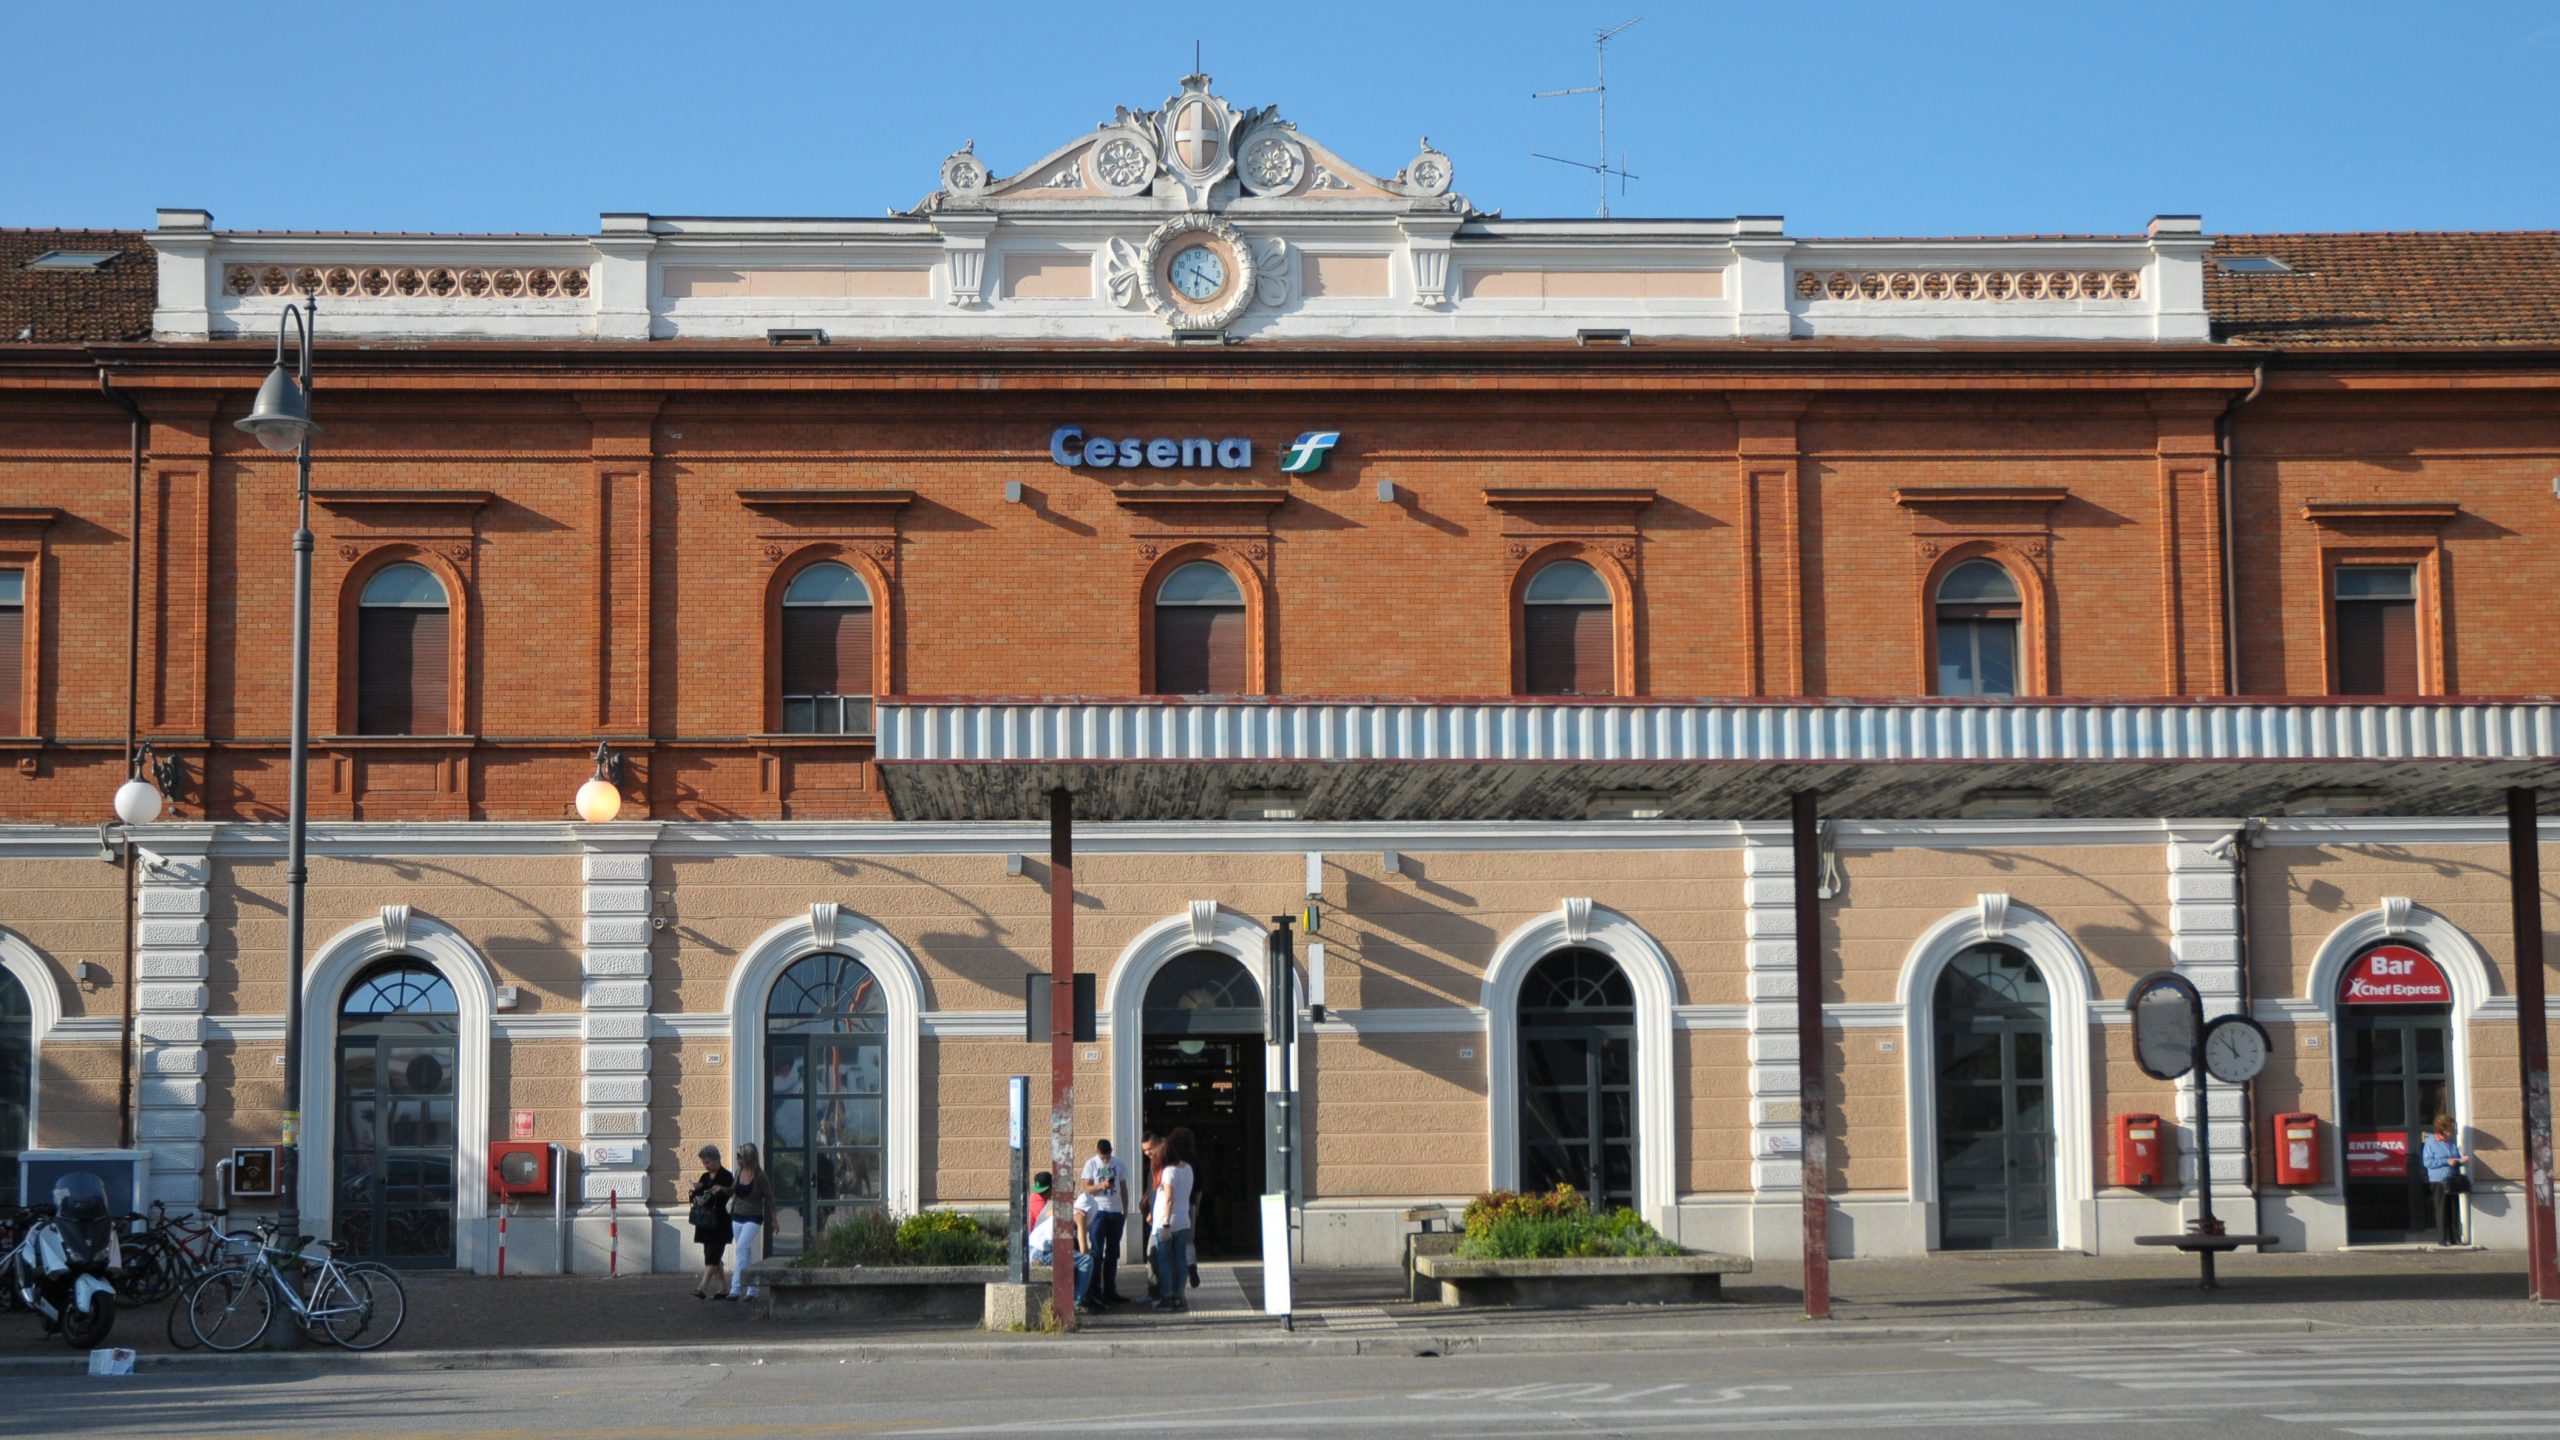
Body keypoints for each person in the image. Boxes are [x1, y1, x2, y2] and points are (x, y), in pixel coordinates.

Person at [1028, 1191, 1102, 1316]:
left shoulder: (1064, 1210)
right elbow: (1084, 1250)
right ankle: (1077, 1302)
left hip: (1031, 1250)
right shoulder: (1080, 1216)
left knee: (1076, 1258)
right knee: (1087, 1261)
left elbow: (1049, 1213)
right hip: (1041, 1253)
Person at [1149, 1126, 1195, 1312]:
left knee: (1165, 1261)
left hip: (1167, 1222)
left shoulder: (1168, 1172)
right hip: (1184, 1220)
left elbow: (1168, 1198)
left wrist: (1166, 1224)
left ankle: (1167, 1296)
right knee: (1180, 1260)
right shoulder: (1188, 1168)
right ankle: (1178, 1295)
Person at [1078, 1138, 1130, 1304]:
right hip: (1099, 1211)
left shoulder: (1119, 1163)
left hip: (1115, 1212)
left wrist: (1125, 1209)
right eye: (1103, 1157)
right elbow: (1086, 1188)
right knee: (1097, 1252)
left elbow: (1123, 1187)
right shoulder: (1091, 1164)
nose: (1106, 1160)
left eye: (1108, 1156)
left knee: (1113, 1253)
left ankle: (1110, 1289)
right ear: (1097, 1153)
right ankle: (1095, 1289)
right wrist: (1101, 1186)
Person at [687, 1144, 735, 1300]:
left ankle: (702, 1287)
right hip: (705, 1222)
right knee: (711, 1255)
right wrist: (696, 1194)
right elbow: (695, 1197)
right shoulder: (704, 1177)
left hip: (720, 1222)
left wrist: (713, 1193)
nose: (705, 1166)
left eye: (707, 1162)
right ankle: (724, 1288)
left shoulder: (726, 1176)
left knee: (712, 1254)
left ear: (716, 1159)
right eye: (704, 1163)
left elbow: (727, 1196)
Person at [725, 1142, 770, 1304]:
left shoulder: (759, 1176)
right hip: (737, 1216)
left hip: (754, 1218)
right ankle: (753, 1290)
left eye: (739, 1157)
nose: (737, 1159)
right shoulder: (738, 1172)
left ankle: (735, 1289)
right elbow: (731, 1190)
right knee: (746, 1254)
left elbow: (769, 1197)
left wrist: (774, 1219)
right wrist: (719, 1189)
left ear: (748, 1158)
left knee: (741, 1249)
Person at [2422, 1115, 2474, 1247]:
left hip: (2452, 1179)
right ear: (2442, 1128)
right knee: (2442, 1209)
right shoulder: (2431, 1142)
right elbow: (2427, 1162)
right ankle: (2442, 1238)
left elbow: (2455, 1159)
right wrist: (2446, 1161)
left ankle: (2454, 1237)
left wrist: (2461, 1161)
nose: (2453, 1130)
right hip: (2438, 1180)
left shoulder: (2451, 1142)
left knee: (2453, 1208)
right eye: (2451, 1127)